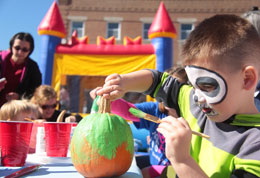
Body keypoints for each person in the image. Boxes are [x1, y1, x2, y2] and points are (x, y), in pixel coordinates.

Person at [96, 14, 260, 177]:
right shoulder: (197, 106)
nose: (198, 98)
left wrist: (182, 160)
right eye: (193, 86)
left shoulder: (254, 144)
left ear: (247, 79)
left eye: (207, 86)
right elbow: (158, 80)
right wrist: (123, 82)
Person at [91, 67, 187, 178]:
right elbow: (130, 111)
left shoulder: (190, 119)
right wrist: (109, 99)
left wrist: (151, 172)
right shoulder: (154, 112)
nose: (169, 96)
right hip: (154, 165)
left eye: (175, 92)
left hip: (177, 171)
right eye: (165, 92)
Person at [0, 32, 42, 107]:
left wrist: (19, 96)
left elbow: (36, 92)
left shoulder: (33, 67)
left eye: (25, 50)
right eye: (17, 48)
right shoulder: (1, 58)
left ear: (30, 51)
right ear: (11, 46)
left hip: (16, 111)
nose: (20, 52)